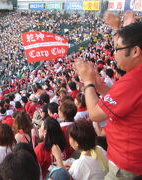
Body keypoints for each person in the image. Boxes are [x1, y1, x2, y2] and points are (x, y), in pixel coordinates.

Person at [74, 20, 142, 178]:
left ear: (135, 51)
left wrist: (88, 82)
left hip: (127, 163)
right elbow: (126, 101)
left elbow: (95, 114)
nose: (114, 53)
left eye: (118, 49)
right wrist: (100, 87)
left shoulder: (134, 80)